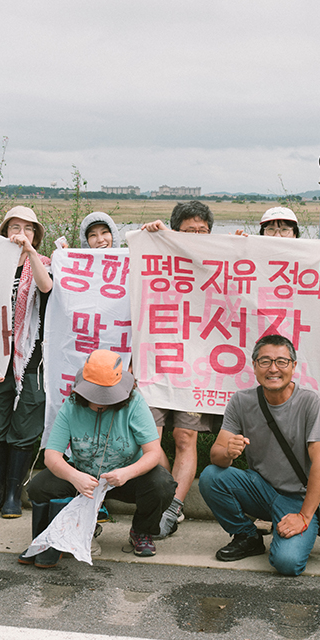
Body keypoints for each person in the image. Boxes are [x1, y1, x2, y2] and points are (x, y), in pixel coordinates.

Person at [21, 349, 176, 567]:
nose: (100, 401)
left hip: (124, 477)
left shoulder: (135, 403)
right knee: (40, 487)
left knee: (162, 483)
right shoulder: (72, 405)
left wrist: (127, 473)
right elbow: (51, 455)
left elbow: (153, 452)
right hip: (84, 478)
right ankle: (64, 532)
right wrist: (74, 476)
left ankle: (141, 531)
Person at [199, 334, 320, 576]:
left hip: (297, 499)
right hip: (260, 488)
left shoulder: (311, 402)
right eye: (265, 361)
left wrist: (303, 516)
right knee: (212, 476)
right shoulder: (241, 401)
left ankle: (297, 528)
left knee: (287, 564)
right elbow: (216, 455)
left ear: (293, 366)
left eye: (282, 361)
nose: (273, 369)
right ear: (254, 366)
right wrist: (228, 453)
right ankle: (248, 536)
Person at [140, 200, 215, 538]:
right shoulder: (159, 256)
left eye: (203, 231)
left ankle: (173, 508)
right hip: (157, 361)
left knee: (186, 437)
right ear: (176, 232)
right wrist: (152, 237)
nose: (197, 236)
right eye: (189, 231)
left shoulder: (221, 261)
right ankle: (166, 495)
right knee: (149, 439)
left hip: (198, 366)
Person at [0, 206, 53, 518]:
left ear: (35, 235)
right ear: (4, 232)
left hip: (30, 357)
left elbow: (46, 287)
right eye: (14, 227)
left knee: (26, 421)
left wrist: (31, 254)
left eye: (28, 228)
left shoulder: (44, 264)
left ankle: (13, 495)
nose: (20, 233)